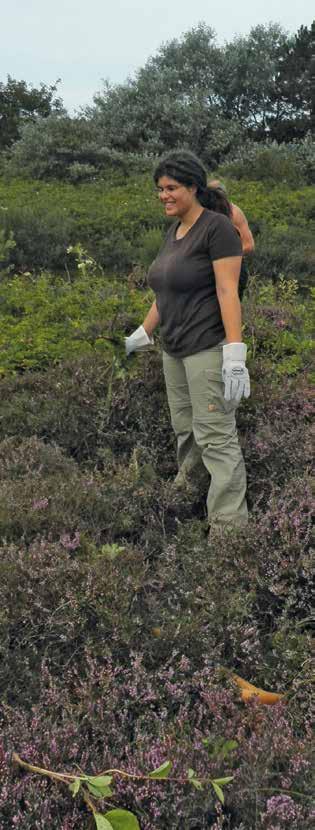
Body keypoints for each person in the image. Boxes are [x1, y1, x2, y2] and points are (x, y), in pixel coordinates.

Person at [125, 151, 250, 534]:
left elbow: (228, 290)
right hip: (174, 350)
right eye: (160, 189)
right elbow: (166, 291)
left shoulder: (216, 229)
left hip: (207, 348)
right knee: (187, 431)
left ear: (193, 187)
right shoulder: (174, 231)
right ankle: (189, 501)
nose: (164, 195)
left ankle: (230, 532)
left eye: (172, 188)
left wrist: (234, 353)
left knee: (215, 436)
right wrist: (144, 332)